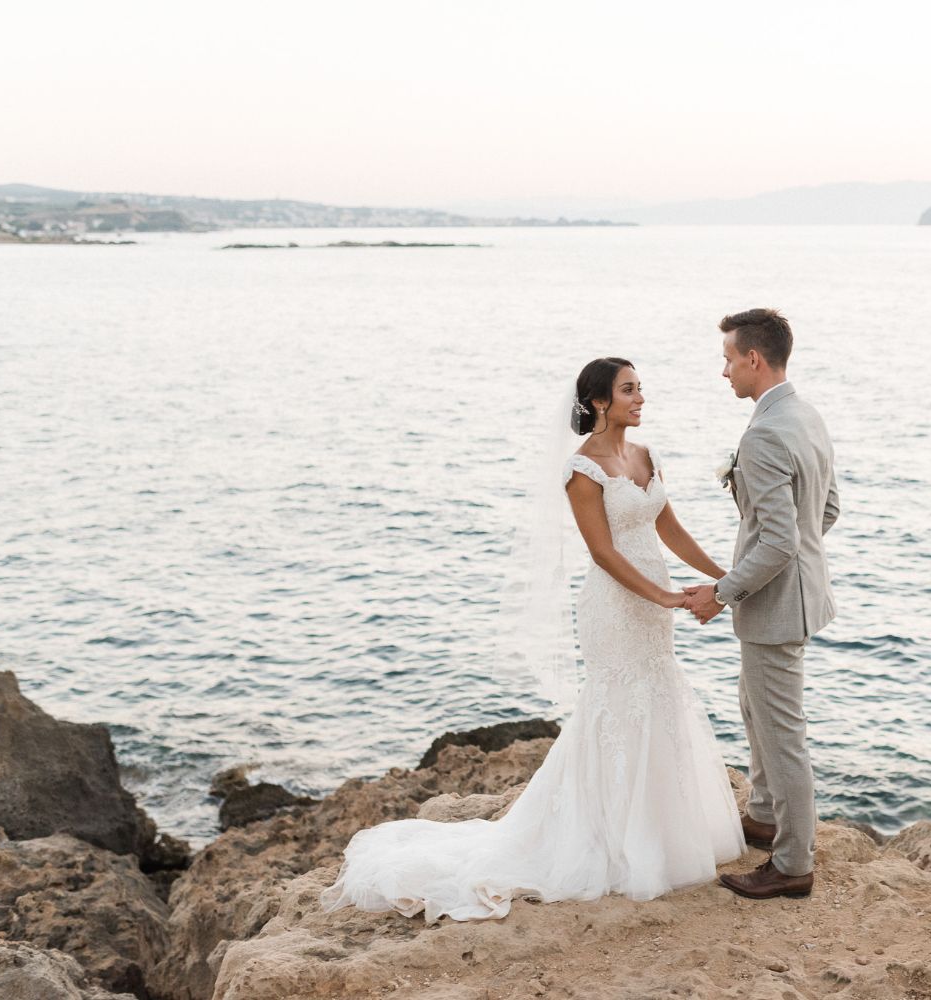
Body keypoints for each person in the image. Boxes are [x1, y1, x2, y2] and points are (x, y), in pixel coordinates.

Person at [320, 357, 745, 921]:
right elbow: (602, 552)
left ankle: (661, 832)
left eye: (641, 388)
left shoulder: (646, 456)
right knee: (617, 705)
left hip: (653, 604)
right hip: (617, 605)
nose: (641, 398)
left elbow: (669, 529)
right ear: (598, 401)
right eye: (628, 390)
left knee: (659, 696)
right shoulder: (581, 469)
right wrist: (665, 597)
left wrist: (727, 579)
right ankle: (612, 839)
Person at [683, 308, 839, 901]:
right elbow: (825, 511)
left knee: (781, 734)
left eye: (727, 359)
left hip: (775, 609)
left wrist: (722, 593)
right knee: (757, 710)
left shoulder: (765, 433)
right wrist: (794, 556)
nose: (723, 371)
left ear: (753, 358)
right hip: (796, 599)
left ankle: (793, 863)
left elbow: (776, 539)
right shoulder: (806, 415)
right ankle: (767, 814)